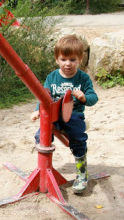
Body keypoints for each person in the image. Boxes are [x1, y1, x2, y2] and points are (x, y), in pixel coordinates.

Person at [30, 35, 98, 194]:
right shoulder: (52, 77)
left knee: (78, 138)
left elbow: (94, 98)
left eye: (72, 59)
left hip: (74, 115)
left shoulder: (83, 78)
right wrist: (36, 111)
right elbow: (44, 97)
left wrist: (84, 97)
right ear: (57, 59)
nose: (68, 63)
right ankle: (44, 170)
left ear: (80, 59)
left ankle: (82, 172)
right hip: (53, 116)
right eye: (64, 59)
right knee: (41, 136)